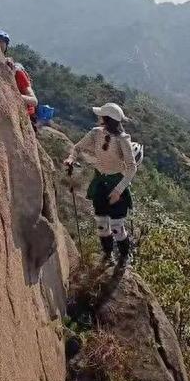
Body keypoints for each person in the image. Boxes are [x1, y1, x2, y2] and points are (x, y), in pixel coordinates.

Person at [64, 103, 137, 265]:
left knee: (117, 226)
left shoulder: (123, 140)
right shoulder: (95, 133)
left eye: (102, 116)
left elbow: (132, 168)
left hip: (116, 182)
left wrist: (118, 190)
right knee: (102, 224)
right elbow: (77, 148)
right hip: (100, 182)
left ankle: (125, 257)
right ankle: (108, 254)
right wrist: (71, 158)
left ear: (106, 119)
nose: (99, 118)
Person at [0, 31, 38, 127]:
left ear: (6, 46)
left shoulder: (17, 71)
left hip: (25, 117)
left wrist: (13, 95)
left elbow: (34, 101)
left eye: (2, 42)